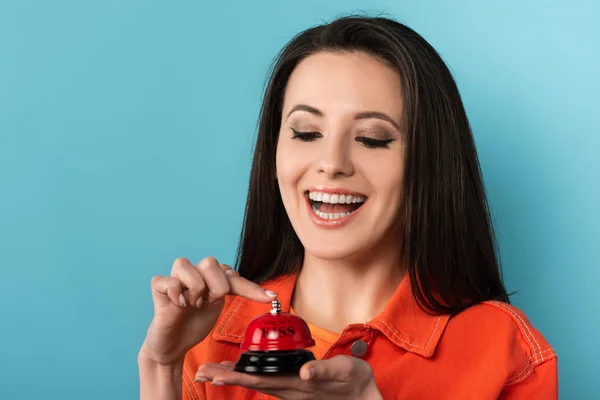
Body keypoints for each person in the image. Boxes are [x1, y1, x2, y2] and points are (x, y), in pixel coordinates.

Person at [138, 15, 558, 399]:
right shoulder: (208, 335)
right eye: (305, 133)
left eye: (372, 139)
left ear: (427, 166)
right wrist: (161, 367)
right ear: (273, 156)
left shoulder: (505, 351)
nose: (332, 164)